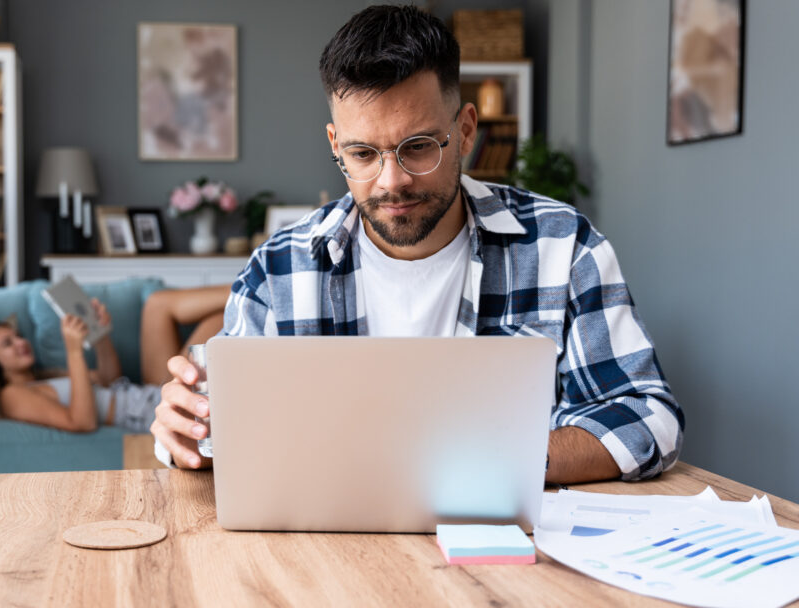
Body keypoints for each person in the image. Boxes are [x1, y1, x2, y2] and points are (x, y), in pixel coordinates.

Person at [151, 5, 684, 483]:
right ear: (336, 145)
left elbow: (648, 416)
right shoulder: (279, 269)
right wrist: (186, 434)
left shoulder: (563, 247)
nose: (391, 181)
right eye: (363, 154)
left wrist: (511, 459)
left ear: (467, 131)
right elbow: (226, 431)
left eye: (418, 147)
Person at [0, 284, 230, 433]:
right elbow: (81, 421)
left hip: (148, 392)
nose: (21, 343)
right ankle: (253, 287)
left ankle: (249, 284)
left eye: (18, 336)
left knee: (158, 304)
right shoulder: (10, 395)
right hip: (152, 412)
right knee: (221, 319)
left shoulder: (47, 377)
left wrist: (99, 337)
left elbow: (110, 378)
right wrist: (74, 350)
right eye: (7, 344)